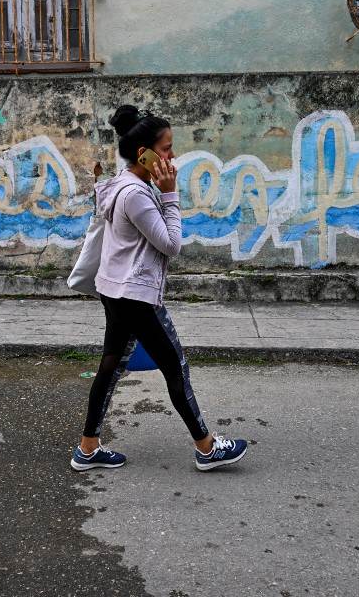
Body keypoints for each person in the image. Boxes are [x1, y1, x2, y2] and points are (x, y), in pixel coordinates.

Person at [71, 105, 248, 473]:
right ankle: (207, 447)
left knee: (110, 366)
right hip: (135, 296)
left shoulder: (122, 183)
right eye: (166, 148)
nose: (172, 156)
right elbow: (171, 244)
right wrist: (170, 194)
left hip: (115, 289)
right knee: (175, 369)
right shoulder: (137, 193)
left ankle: (87, 449)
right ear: (144, 153)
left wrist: (160, 188)